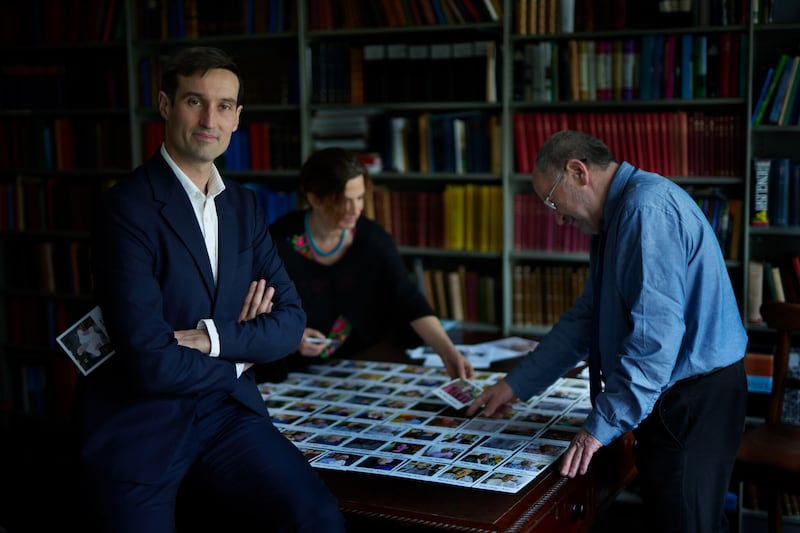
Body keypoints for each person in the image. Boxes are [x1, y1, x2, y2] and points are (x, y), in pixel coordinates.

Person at [79, 46, 345, 532]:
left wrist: (213, 339)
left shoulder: (243, 207)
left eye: (223, 106)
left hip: (227, 418)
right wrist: (242, 356)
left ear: (238, 117)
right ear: (165, 105)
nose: (209, 118)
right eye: (194, 101)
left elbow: (290, 322)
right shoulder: (126, 209)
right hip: (144, 423)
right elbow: (151, 362)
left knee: (318, 519)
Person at [467, 130, 747, 533]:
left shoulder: (644, 212)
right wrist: (516, 384)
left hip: (694, 399)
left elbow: (653, 345)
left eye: (552, 202)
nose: (558, 219)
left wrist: (599, 427)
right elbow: (587, 318)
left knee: (687, 525)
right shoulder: (617, 216)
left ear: (578, 171)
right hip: (674, 394)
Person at [259, 147, 473, 381]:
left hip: (359, 363)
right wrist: (290, 338)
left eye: (360, 198)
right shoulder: (277, 241)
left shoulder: (373, 239)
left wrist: (447, 351)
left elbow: (409, 300)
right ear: (314, 198)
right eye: (343, 200)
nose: (355, 209)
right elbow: (257, 308)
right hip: (290, 367)